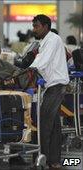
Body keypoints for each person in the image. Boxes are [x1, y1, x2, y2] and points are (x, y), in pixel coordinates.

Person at [29, 14, 69, 169]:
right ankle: (54, 161)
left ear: (46, 26)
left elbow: (41, 62)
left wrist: (27, 68)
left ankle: (41, 159)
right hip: (52, 87)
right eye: (33, 26)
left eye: (36, 26)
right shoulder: (45, 41)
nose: (34, 29)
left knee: (45, 122)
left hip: (56, 87)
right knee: (53, 126)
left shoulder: (52, 39)